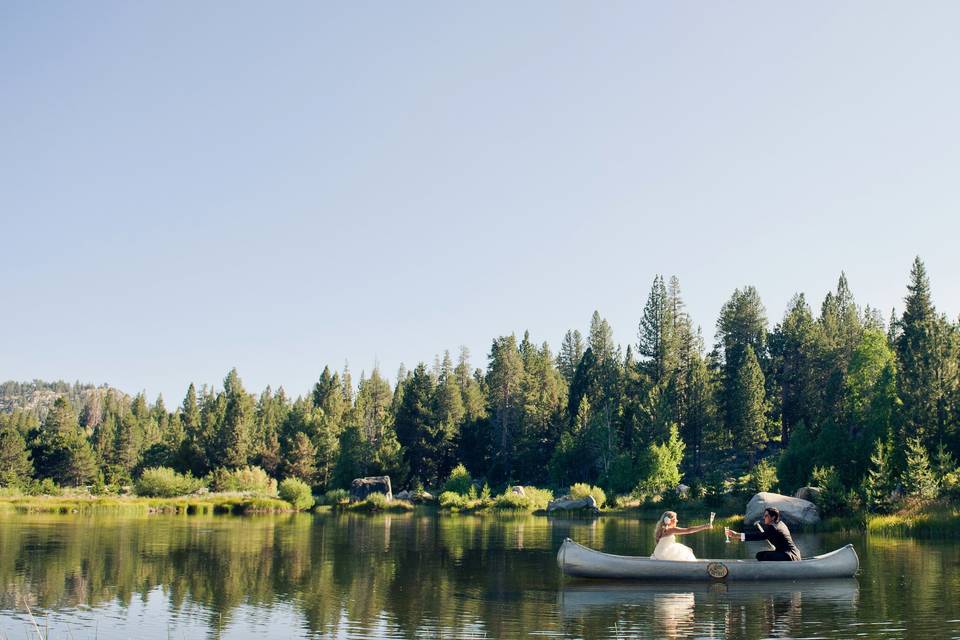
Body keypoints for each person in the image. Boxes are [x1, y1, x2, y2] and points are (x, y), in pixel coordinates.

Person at [724, 507, 801, 561]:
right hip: (793, 554)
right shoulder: (781, 524)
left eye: (766, 515)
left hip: (790, 556)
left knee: (761, 555)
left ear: (773, 517)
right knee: (762, 555)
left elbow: (757, 536)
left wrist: (737, 535)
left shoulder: (773, 528)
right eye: (764, 515)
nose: (764, 517)